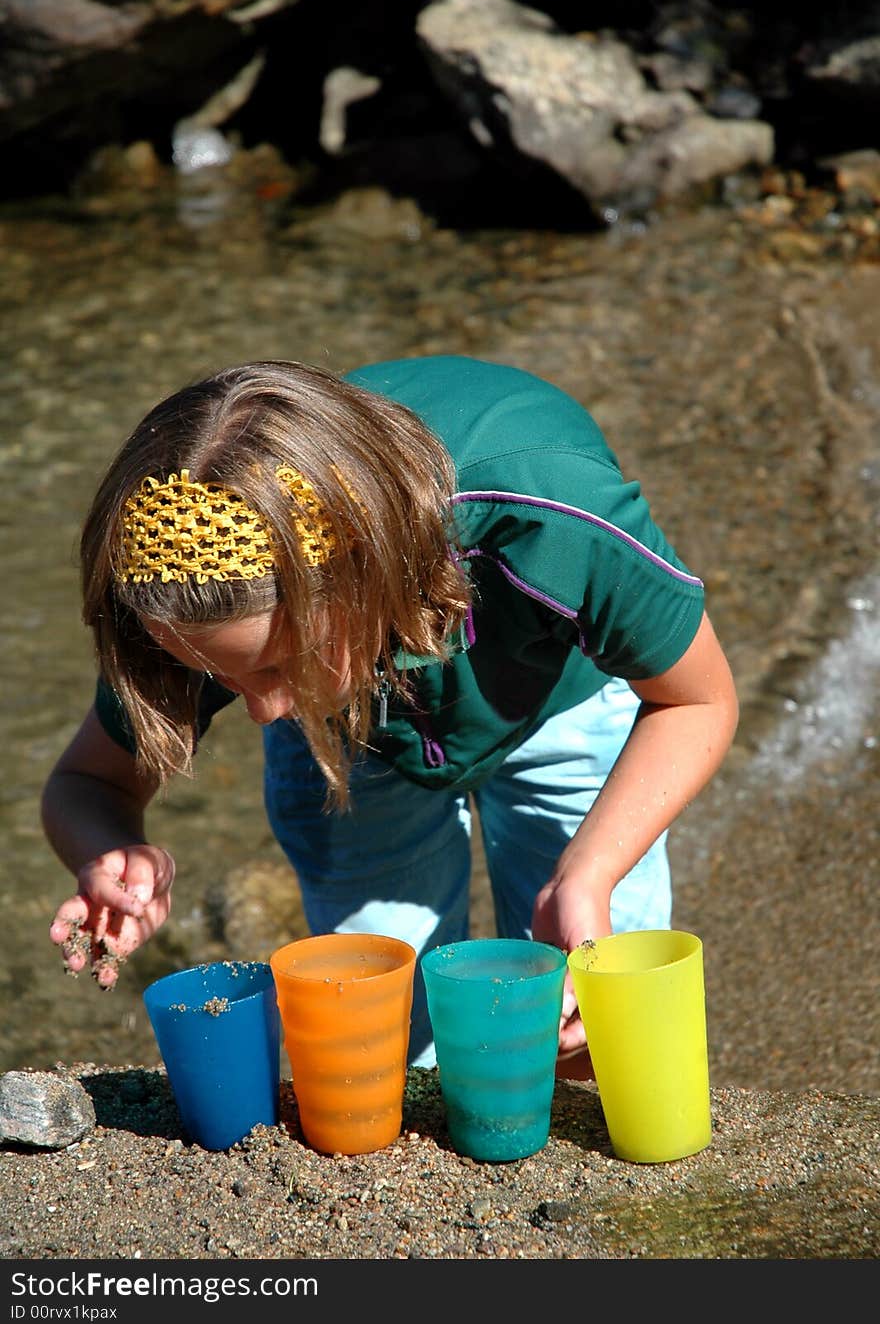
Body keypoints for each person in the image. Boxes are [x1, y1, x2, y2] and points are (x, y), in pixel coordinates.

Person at [42, 354, 739, 1077]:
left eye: (283, 666)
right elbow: (86, 783)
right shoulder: (195, 578)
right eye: (217, 676)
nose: (261, 711)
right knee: (384, 1036)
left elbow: (698, 699)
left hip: (555, 699)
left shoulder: (550, 509)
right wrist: (111, 851)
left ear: (362, 568)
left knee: (591, 1031)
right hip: (356, 736)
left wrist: (585, 875)